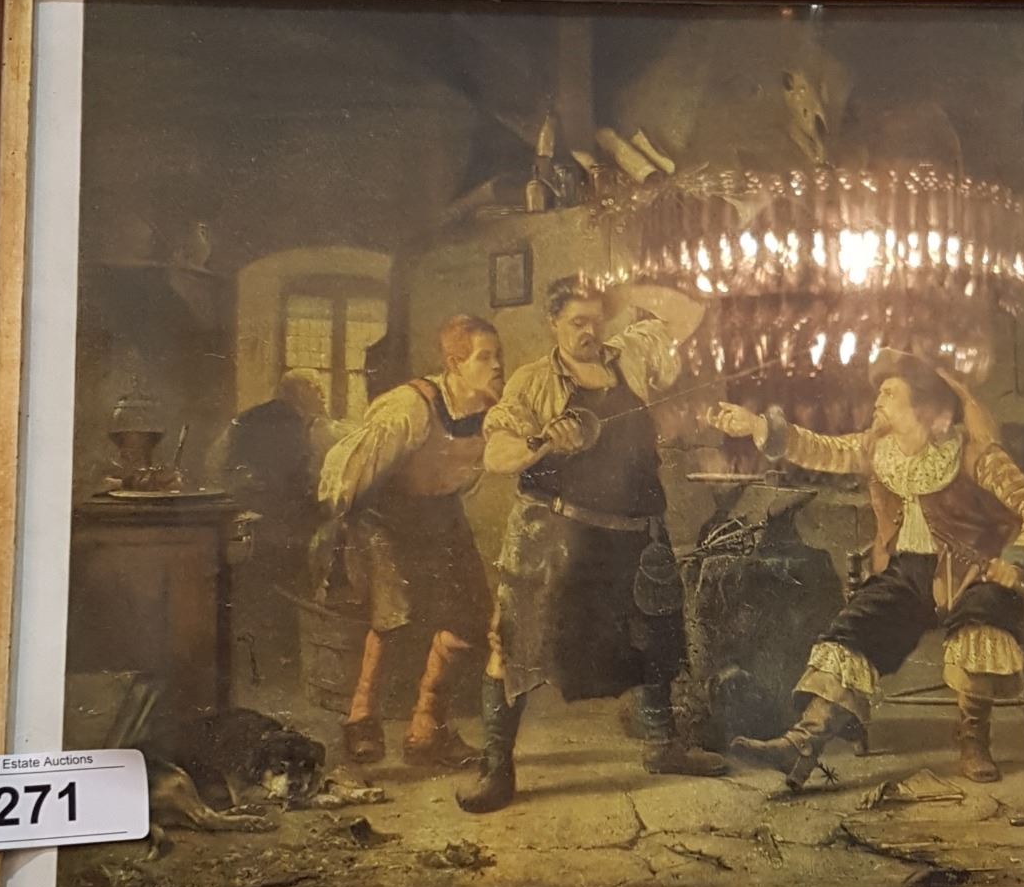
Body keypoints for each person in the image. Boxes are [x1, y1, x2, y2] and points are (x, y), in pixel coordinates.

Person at [707, 350, 1024, 787]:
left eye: (890, 393)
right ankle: (802, 744)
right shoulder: (879, 448)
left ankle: (974, 741)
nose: (878, 400)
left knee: (981, 620)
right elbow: (822, 449)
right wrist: (757, 426)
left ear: (924, 406)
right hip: (906, 575)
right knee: (854, 627)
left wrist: (1017, 557)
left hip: (974, 572)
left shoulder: (971, 454)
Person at [457, 274, 724, 813]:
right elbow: (496, 452)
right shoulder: (534, 381)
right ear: (553, 323)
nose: (589, 332)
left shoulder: (631, 356)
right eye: (577, 322)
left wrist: (624, 294)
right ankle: (496, 768)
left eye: (597, 320)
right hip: (561, 538)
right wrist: (542, 442)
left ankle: (662, 747)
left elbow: (689, 315)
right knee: (516, 646)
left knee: (657, 638)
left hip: (635, 534)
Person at [317, 314, 504, 765]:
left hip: (440, 515)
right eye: (485, 357)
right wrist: (341, 529)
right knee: (394, 617)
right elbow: (352, 470)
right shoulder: (411, 406)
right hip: (384, 514)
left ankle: (427, 729)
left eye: (498, 356)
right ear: (454, 363)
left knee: (471, 620)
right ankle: (361, 720)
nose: (497, 366)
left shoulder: (491, 413)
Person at [217, 369, 330, 691]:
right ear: (300, 392)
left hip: (245, 516)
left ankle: (263, 657)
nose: (322, 397)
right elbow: (293, 479)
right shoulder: (289, 423)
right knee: (298, 572)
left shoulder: (249, 417)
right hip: (277, 520)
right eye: (316, 390)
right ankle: (287, 658)